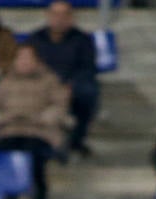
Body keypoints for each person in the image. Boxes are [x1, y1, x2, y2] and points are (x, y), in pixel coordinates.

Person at [0, 43, 70, 199]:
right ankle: (8, 192)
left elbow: (59, 106)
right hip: (9, 130)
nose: (24, 62)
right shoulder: (6, 81)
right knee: (3, 150)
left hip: (38, 130)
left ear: (36, 61)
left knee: (33, 151)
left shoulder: (49, 80)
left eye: (28, 58)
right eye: (20, 58)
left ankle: (39, 189)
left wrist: (44, 118)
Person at [29, 0, 98, 156]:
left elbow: (87, 68)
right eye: (55, 14)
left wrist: (69, 85)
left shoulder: (83, 40)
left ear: (72, 17)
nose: (59, 18)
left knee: (88, 92)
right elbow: (29, 65)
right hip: (41, 85)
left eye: (64, 14)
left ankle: (76, 141)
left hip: (72, 85)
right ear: (47, 16)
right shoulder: (35, 39)